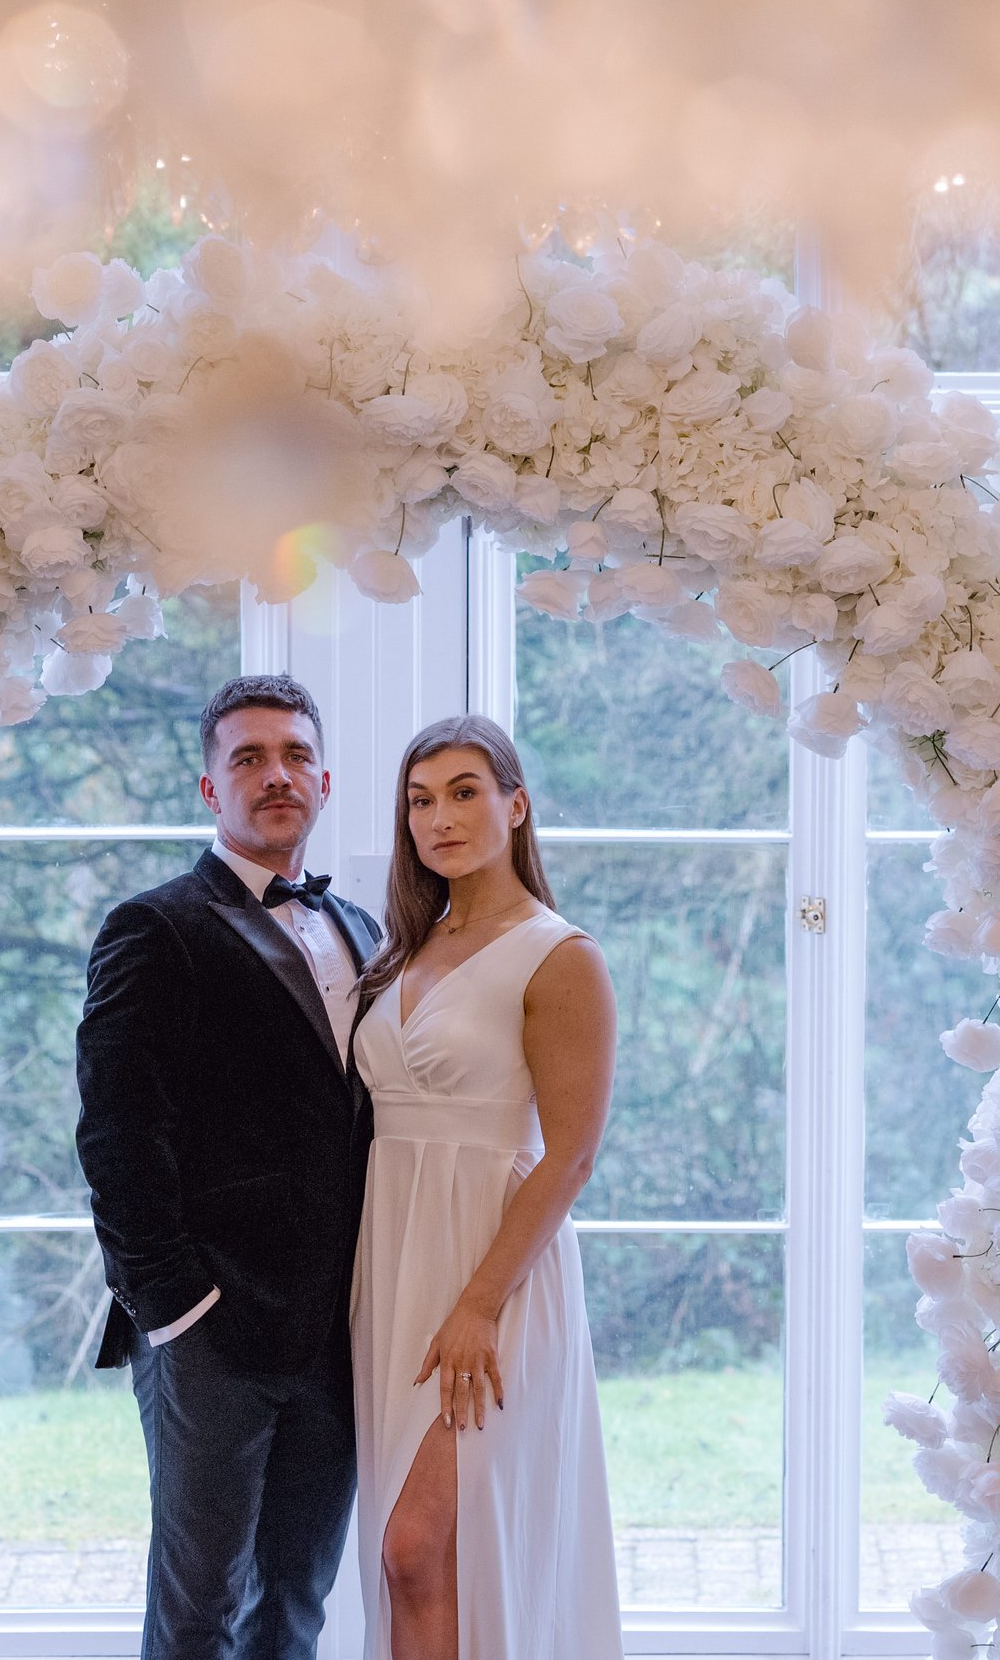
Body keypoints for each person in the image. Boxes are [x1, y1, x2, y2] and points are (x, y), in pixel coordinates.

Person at [74, 673, 384, 1660]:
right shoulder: (153, 927)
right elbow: (116, 1133)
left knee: (294, 1596)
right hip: (212, 1331)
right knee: (200, 1606)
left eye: (293, 754)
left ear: (324, 779)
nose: (274, 774)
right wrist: (176, 1306)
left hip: (338, 1329)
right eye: (246, 757)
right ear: (210, 789)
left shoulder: (364, 930)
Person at [351, 714, 624, 1659]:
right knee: (415, 1563)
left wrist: (478, 1304)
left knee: (415, 1544)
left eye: (465, 791)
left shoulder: (560, 954)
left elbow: (572, 1155)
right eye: (420, 800)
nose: (440, 817)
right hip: (394, 1271)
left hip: (494, 1276)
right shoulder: (402, 951)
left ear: (516, 804)